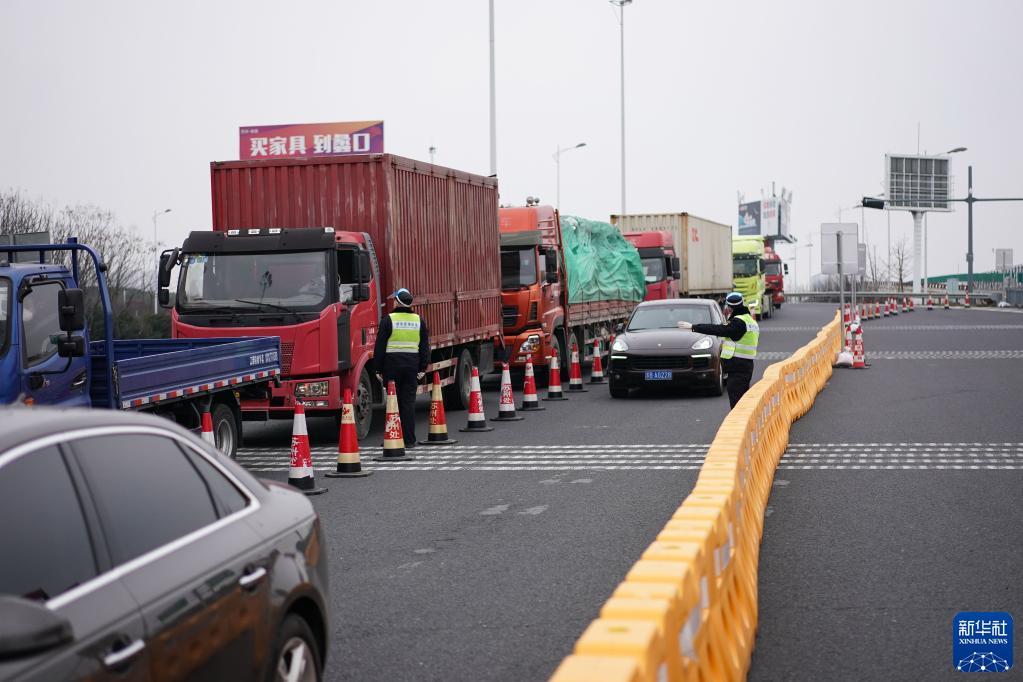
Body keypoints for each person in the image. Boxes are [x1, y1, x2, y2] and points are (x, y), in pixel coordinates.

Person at [679, 291, 760, 409]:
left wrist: (693, 327)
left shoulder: (738, 323)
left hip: (737, 370)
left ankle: (738, 427)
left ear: (730, 308)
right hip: (744, 367)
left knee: (737, 405)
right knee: (743, 402)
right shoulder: (751, 322)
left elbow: (717, 329)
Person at [373, 288, 429, 448]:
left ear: (397, 302)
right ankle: (410, 440)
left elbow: (380, 347)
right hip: (412, 367)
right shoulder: (419, 321)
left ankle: (392, 438)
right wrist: (422, 368)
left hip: (391, 368)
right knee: (408, 403)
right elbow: (425, 347)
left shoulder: (388, 320)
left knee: (393, 403)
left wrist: (378, 369)